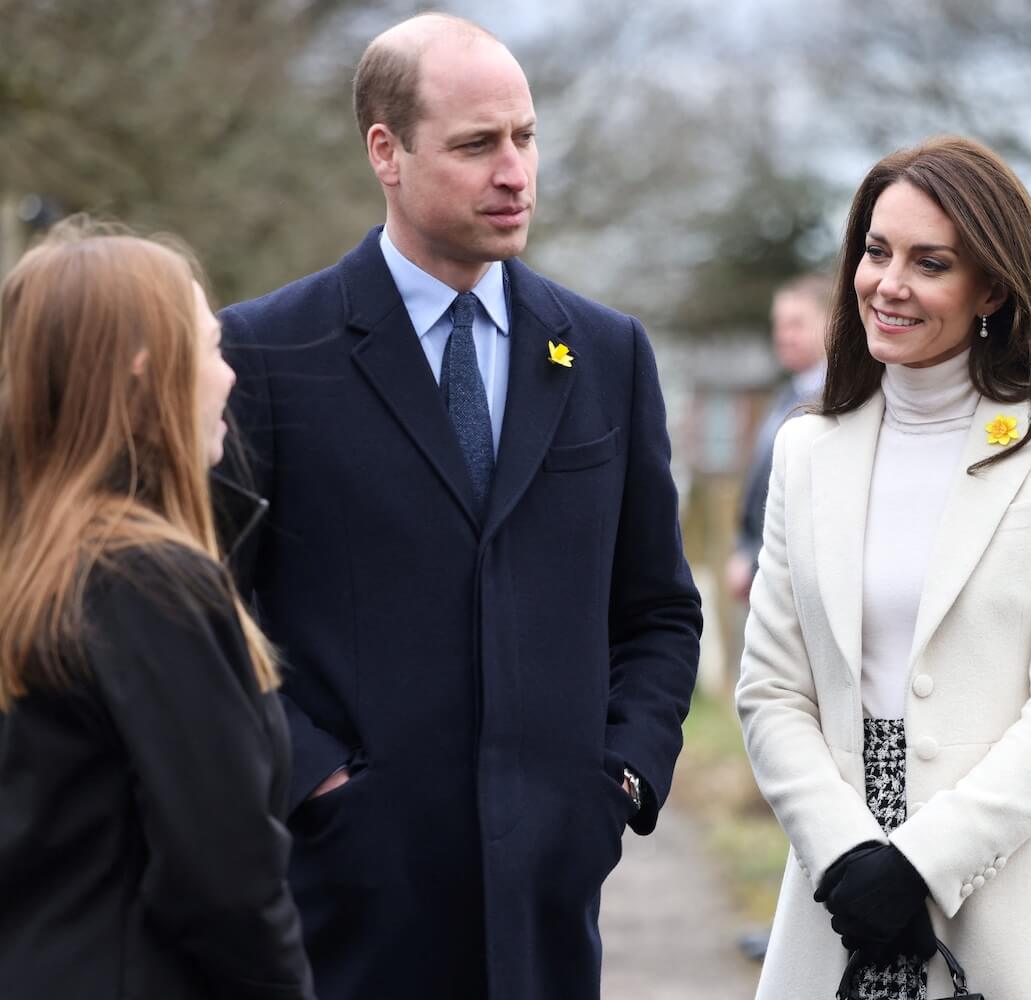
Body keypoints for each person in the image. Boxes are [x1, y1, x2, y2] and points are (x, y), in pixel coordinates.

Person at [219, 13, 702, 1000]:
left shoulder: (605, 354)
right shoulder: (267, 352)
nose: (515, 171)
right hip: (346, 906)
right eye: (479, 144)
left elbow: (658, 608)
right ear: (384, 151)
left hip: (550, 908)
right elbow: (214, 613)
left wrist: (618, 777)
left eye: (525, 137)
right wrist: (316, 782)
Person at [736, 136, 1031, 999]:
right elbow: (773, 691)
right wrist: (850, 853)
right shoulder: (806, 450)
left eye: (931, 263)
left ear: (990, 286)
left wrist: (919, 863)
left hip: (1008, 896)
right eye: (876, 252)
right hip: (839, 893)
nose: (889, 283)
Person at [0, 220, 315, 999]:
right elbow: (225, 882)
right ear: (147, 372)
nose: (229, 377)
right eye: (209, 349)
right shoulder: (149, 583)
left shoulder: (31, 569)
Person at [725, 273, 830, 604]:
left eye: (797, 324)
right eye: (779, 325)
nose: (784, 336)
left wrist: (756, 559)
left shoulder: (838, 403)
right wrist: (744, 551)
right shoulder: (785, 396)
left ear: (832, 323)